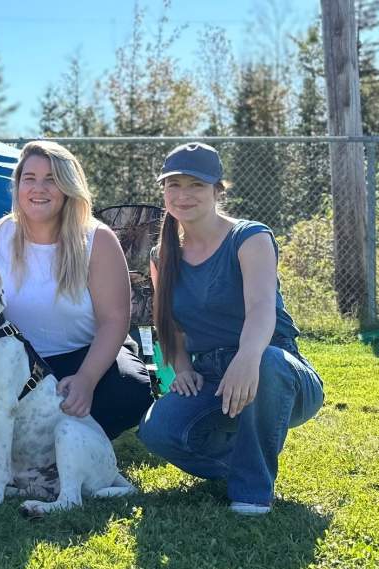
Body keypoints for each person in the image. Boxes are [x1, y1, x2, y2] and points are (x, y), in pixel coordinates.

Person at [138, 142, 324, 515]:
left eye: (196, 185)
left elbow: (260, 308)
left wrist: (247, 358)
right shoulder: (162, 255)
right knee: (156, 432)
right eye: (174, 185)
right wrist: (183, 367)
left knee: (268, 362)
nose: (183, 195)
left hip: (275, 369)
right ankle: (238, 465)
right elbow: (168, 326)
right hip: (210, 376)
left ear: (218, 191)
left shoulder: (250, 237)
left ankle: (252, 490)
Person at [0, 140, 155, 442]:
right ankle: (16, 440)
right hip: (12, 361)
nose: (38, 188)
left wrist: (86, 379)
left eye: (51, 179)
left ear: (69, 186)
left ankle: (73, 439)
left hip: (80, 356)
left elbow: (114, 320)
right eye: (29, 179)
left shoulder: (98, 239)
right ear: (17, 185)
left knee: (130, 388)